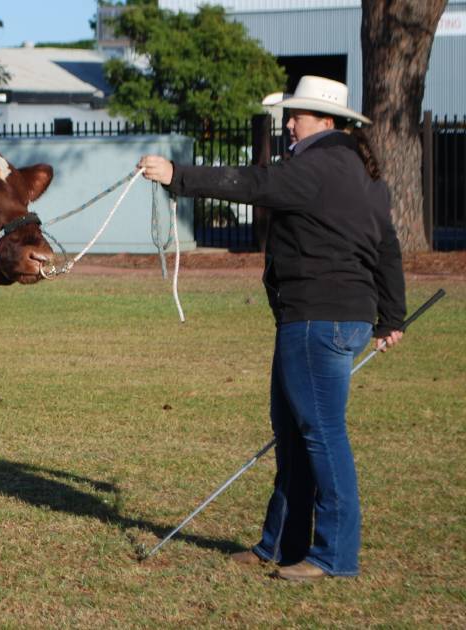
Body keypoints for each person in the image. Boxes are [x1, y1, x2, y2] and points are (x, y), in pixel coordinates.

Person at [138, 75, 407, 581]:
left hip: (315, 321)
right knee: (294, 436)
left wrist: (178, 174)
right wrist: (392, 317)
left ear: (325, 123)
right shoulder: (361, 173)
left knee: (321, 436)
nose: (288, 125)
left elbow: (254, 184)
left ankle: (332, 556)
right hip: (336, 320)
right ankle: (281, 545)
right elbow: (386, 247)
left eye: (296, 116)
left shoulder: (316, 167)